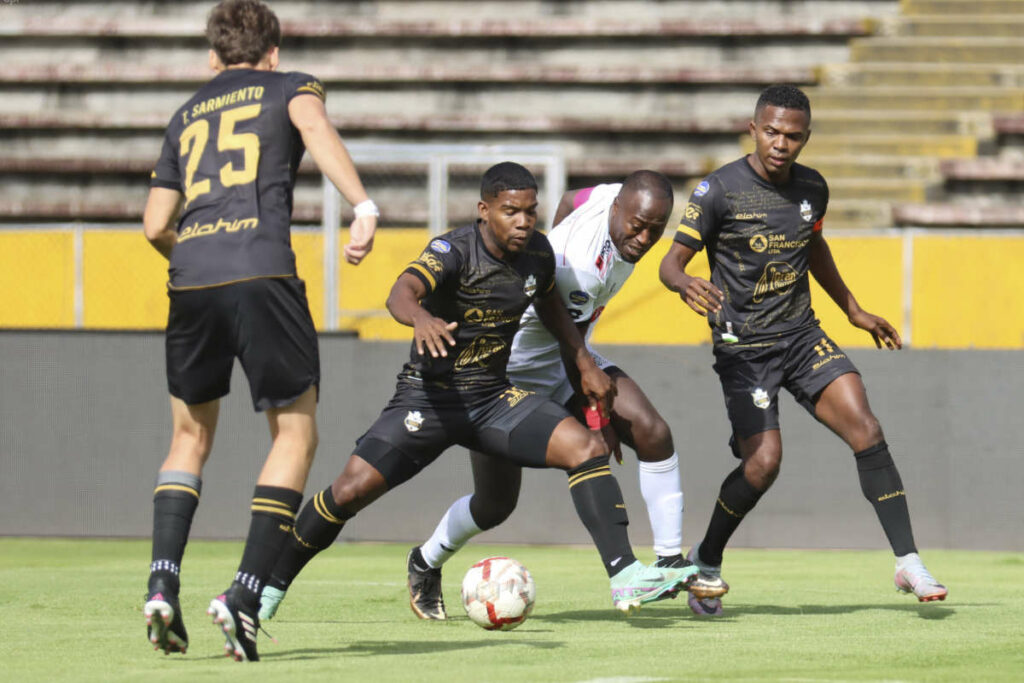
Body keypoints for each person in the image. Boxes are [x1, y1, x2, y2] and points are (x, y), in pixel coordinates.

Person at [255, 162, 699, 626]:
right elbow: (400, 292)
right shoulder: (453, 249)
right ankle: (269, 586)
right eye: (511, 212)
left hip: (492, 397)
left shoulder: (539, 255)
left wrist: (586, 368)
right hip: (430, 399)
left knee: (585, 449)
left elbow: (552, 305)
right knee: (347, 492)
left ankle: (625, 573)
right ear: (484, 211)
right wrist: (420, 318)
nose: (524, 222)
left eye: (530, 212)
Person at [141, 0, 378, 662]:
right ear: (271, 54)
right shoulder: (289, 86)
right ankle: (243, 594)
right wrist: (363, 205)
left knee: (188, 435)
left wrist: (201, 259)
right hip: (262, 269)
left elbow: (156, 222)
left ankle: (162, 582)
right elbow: (314, 125)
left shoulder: (185, 113)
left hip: (189, 275)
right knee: (295, 432)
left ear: (212, 58)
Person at [386, 170, 728, 622]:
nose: (644, 238)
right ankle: (425, 560)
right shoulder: (580, 269)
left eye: (655, 229)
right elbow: (570, 343)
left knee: (651, 430)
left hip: (569, 356)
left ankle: (668, 562)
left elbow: (570, 196)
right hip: (511, 374)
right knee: (495, 504)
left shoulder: (608, 197)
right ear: (618, 210)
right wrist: (598, 420)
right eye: (637, 225)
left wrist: (547, 246)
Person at [658, 84, 947, 616]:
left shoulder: (812, 187)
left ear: (805, 138)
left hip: (802, 337)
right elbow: (670, 264)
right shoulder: (717, 190)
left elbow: (814, 245)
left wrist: (853, 310)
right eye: (771, 131)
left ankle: (908, 560)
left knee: (868, 429)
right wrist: (683, 283)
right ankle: (707, 557)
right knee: (764, 464)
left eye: (792, 136)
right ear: (753, 128)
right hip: (745, 351)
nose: (781, 144)